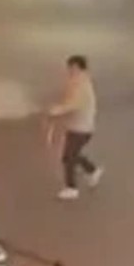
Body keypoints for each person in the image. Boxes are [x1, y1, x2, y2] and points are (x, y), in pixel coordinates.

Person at [47, 55, 102, 201]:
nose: (69, 70)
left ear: (78, 68)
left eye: (71, 67)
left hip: (81, 128)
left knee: (69, 157)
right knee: (71, 155)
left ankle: (71, 188)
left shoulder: (81, 85)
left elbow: (74, 104)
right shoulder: (78, 82)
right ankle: (93, 171)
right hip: (77, 126)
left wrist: (56, 110)